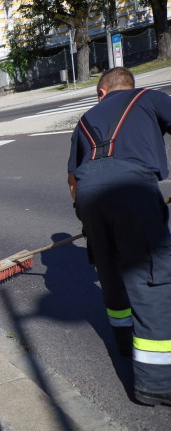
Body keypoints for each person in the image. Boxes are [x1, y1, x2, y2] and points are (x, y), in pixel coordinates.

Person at [67, 66, 171, 406]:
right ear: (128, 85)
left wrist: (85, 217)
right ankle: (156, 384)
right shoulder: (148, 98)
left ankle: (125, 344)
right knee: (149, 280)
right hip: (132, 189)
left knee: (110, 271)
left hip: (89, 195)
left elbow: (72, 181)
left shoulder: (83, 121)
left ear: (101, 93)